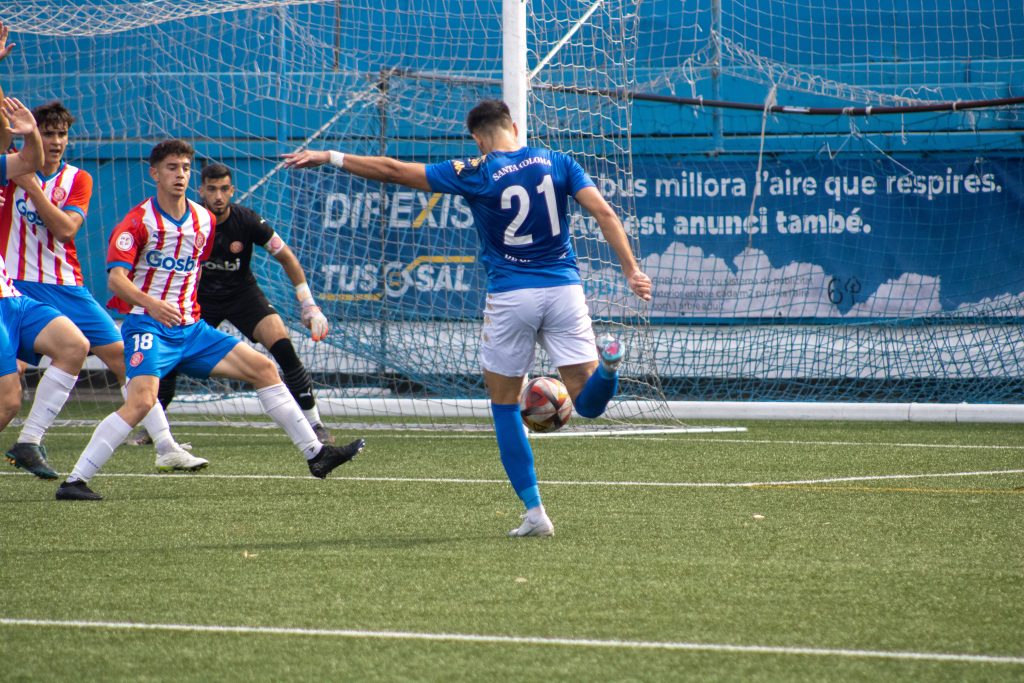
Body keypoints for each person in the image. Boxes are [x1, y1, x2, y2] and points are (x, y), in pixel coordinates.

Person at [283, 99, 652, 537]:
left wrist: (330, 156)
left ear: (477, 139)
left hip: (511, 296)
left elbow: (394, 171)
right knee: (588, 403)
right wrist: (631, 269)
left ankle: (536, 513)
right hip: (564, 291)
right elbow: (605, 212)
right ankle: (609, 366)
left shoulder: (474, 170)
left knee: (504, 406)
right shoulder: (559, 162)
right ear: (514, 127)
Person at [55, 139, 364, 500]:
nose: (180, 175)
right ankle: (74, 481)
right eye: (172, 168)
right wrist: (153, 304)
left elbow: (196, 271)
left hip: (193, 330)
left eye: (185, 168)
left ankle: (317, 454)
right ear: (154, 173)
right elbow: (116, 280)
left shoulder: (203, 220)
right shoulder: (137, 222)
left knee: (264, 369)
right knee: (141, 402)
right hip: (149, 327)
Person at [1, 101, 203, 473]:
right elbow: (5, 132)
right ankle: (29, 442)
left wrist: (32, 187)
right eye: (48, 134)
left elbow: (66, 230)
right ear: (34, 135)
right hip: (14, 285)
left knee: (123, 359)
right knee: (11, 378)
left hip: (66, 286)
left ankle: (166, 446)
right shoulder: (13, 166)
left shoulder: (78, 179)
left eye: (62, 134)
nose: (56, 141)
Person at [135, 162, 334, 447]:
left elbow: (287, 257)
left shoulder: (248, 220)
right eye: (212, 189)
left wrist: (308, 304)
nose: (218, 196)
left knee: (283, 347)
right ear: (201, 190)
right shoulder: (190, 221)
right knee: (169, 359)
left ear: (232, 191)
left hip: (243, 295)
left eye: (224, 189)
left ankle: (315, 424)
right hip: (199, 299)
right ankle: (153, 428)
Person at [0, 96, 92, 479]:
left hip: (11, 294)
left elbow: (29, 161)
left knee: (74, 345)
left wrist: (30, 132)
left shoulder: (11, 167)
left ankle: (29, 441)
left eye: (60, 134)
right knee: (8, 402)